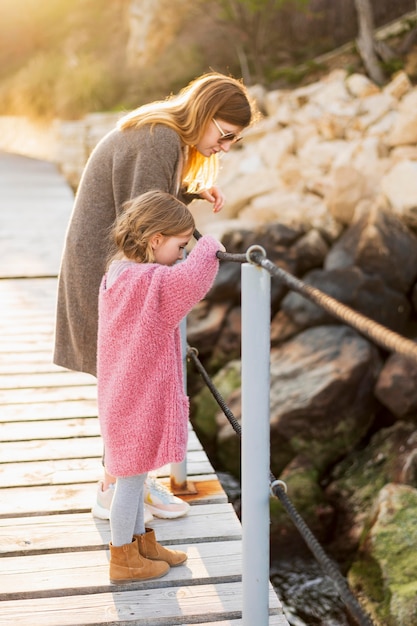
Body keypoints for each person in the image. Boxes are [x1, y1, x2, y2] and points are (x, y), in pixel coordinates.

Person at [53, 71, 257, 519]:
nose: (224, 148)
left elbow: (143, 204)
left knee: (126, 381)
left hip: (109, 267)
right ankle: (114, 489)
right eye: (224, 135)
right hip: (108, 272)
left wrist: (187, 190)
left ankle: (132, 483)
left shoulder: (160, 135)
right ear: (204, 113)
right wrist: (196, 249)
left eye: (233, 142)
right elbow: (145, 221)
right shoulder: (160, 140)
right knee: (128, 383)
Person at [98, 190, 224, 582]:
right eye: (181, 245)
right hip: (134, 398)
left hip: (122, 393)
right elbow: (192, 281)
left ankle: (142, 544)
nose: (185, 253)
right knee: (130, 483)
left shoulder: (119, 272)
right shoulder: (147, 281)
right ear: (155, 240)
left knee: (134, 478)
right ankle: (123, 558)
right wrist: (211, 245)